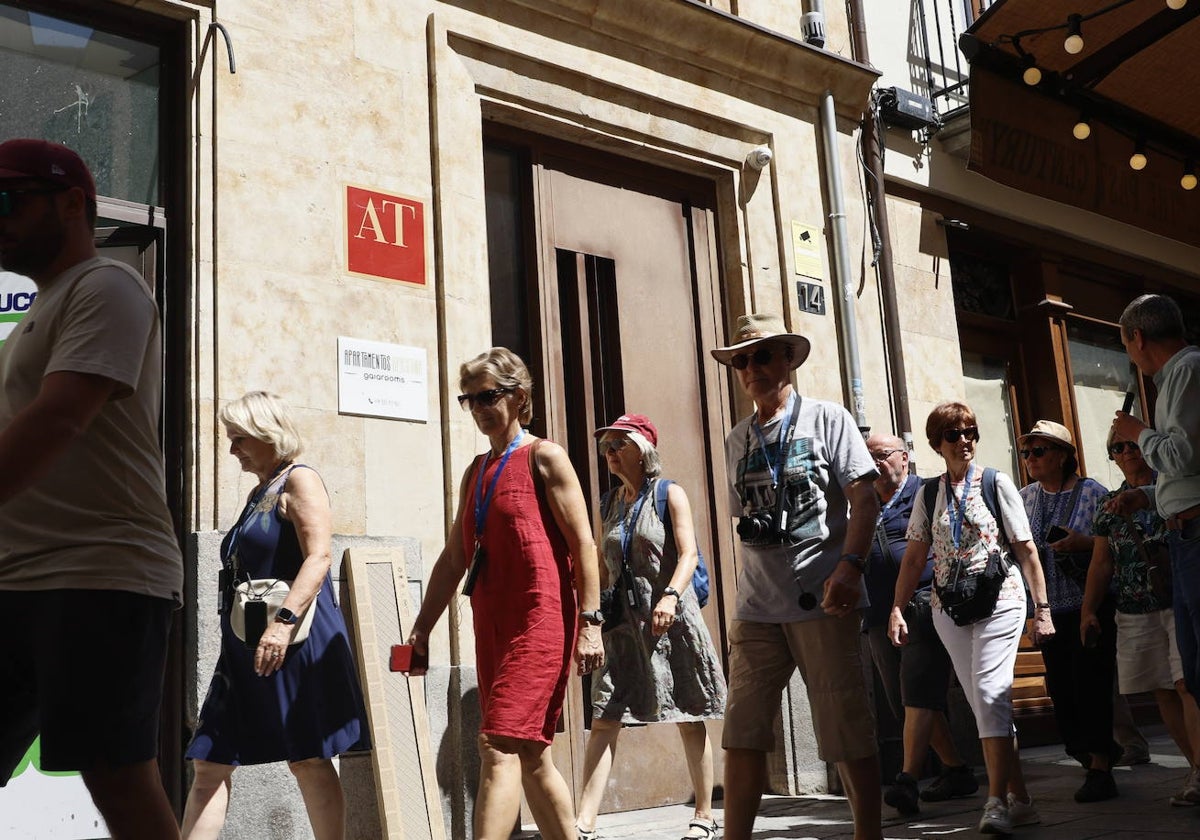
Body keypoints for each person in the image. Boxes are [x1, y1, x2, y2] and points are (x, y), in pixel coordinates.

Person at [0, 139, 183, 839]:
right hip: (20, 578)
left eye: (8, 201)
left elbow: (60, 417)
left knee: (118, 780)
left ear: (73, 203)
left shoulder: (107, 286)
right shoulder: (40, 313)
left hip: (101, 574)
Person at [407, 348, 603, 840]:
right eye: (468, 399)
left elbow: (583, 544)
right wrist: (421, 628)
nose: (477, 408)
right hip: (492, 625)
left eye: (487, 396)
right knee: (532, 754)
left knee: (497, 745)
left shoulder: (545, 456)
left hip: (541, 620)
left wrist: (591, 623)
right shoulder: (477, 470)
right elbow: (455, 559)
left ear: (519, 396)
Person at [711, 313, 882, 840]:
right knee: (742, 729)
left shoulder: (828, 419)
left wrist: (850, 568)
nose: (751, 368)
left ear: (788, 358)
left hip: (823, 596)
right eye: (741, 360)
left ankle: (868, 834)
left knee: (842, 725)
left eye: (762, 355)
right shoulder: (736, 440)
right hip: (757, 605)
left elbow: (865, 499)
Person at [182, 392, 369, 839]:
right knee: (210, 761)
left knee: (307, 756)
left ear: (270, 434)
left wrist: (282, 625)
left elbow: (319, 556)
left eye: (240, 439)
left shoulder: (300, 480)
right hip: (246, 642)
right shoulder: (258, 492)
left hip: (294, 636)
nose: (232, 450)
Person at [889, 401, 1053, 835]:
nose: (964, 440)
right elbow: (914, 557)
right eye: (953, 434)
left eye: (970, 432)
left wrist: (1044, 610)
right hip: (950, 610)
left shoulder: (996, 482)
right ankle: (1022, 799)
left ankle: (996, 801)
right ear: (936, 444)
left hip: (1001, 599)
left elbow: (1026, 549)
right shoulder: (929, 493)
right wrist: (896, 608)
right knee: (985, 705)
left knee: (988, 692)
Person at [576, 414, 727, 840]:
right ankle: (584, 822)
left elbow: (689, 554)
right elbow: (603, 567)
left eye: (617, 444)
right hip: (622, 622)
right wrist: (591, 616)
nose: (608, 452)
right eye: (605, 445)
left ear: (642, 450)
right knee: (605, 713)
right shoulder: (607, 503)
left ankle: (703, 813)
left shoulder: (668, 493)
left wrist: (671, 596)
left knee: (687, 711)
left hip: (670, 621)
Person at [1082, 427, 1200, 807]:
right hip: (1134, 607)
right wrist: (1088, 609)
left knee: (1187, 683)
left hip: (1177, 598)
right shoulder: (1108, 505)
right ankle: (1196, 766)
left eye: (1133, 444)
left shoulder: (1170, 490)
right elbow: (1101, 563)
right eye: (1119, 447)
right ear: (1112, 456)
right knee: (1162, 687)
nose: (1128, 451)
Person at [863, 433, 977, 815]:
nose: (873, 463)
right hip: (878, 613)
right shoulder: (862, 503)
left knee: (916, 690)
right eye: (867, 457)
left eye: (880, 455)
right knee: (904, 701)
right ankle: (957, 769)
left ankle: (908, 779)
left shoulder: (927, 493)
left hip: (924, 606)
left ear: (904, 458)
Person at [1017, 420, 1118, 802]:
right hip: (1048, 611)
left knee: (1091, 686)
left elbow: (1115, 544)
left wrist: (1084, 543)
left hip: (1089, 606)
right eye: (1027, 452)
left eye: (1039, 451)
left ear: (1062, 455)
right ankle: (1089, 752)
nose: (1030, 458)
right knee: (1061, 690)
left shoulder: (1093, 493)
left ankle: (1101, 767)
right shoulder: (1025, 497)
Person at [1111, 294, 1200, 710]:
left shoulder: (1186, 369)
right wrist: (1145, 497)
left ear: (1139, 337)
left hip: (1195, 534)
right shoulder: (1177, 377)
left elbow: (1181, 456)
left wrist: (1138, 432)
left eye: (1126, 346)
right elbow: (1184, 476)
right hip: (1184, 534)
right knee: (1194, 666)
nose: (1130, 356)